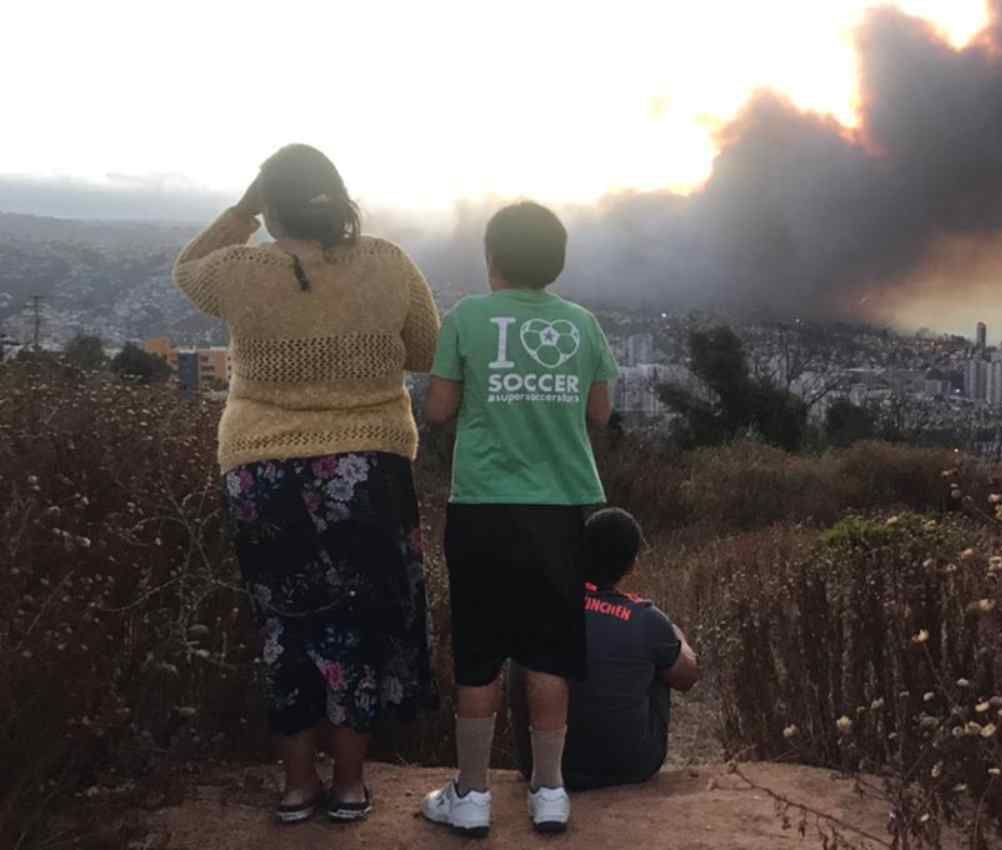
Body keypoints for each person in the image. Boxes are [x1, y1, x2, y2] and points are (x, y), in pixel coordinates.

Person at [172, 144, 441, 824]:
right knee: (356, 624)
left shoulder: (237, 270)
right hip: (367, 470)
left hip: (263, 471)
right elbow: (427, 350)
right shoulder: (387, 262)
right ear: (339, 196)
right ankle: (349, 787)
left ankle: (296, 788)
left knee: (284, 627)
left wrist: (241, 209)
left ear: (271, 202)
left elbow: (185, 270)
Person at [420, 201, 618, 837]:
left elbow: (441, 411)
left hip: (481, 507)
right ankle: (550, 791)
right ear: (555, 262)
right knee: (549, 653)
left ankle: (472, 795)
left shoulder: (466, 318)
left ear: (492, 257)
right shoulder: (583, 324)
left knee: (478, 652)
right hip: (560, 511)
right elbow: (600, 412)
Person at [508, 507, 700, 790]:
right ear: (631, 565)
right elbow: (688, 677)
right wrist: (676, 636)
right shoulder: (646, 618)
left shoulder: (539, 605)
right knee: (661, 659)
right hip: (630, 768)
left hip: (538, 766)